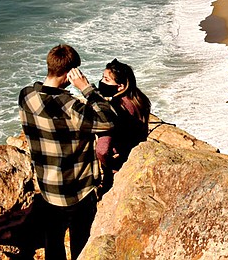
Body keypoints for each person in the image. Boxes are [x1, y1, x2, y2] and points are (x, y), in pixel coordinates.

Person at [18, 44, 119, 260]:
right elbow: (109, 121)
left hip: (47, 186)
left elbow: (47, 101)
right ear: (71, 73)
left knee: (52, 242)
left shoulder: (26, 96)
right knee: (81, 243)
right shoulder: (73, 108)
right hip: (77, 190)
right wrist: (86, 88)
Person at [95, 59, 151, 194]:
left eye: (106, 79)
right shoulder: (139, 99)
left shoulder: (116, 108)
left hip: (117, 167)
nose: (102, 82)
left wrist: (108, 164)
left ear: (120, 86)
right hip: (134, 159)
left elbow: (102, 150)